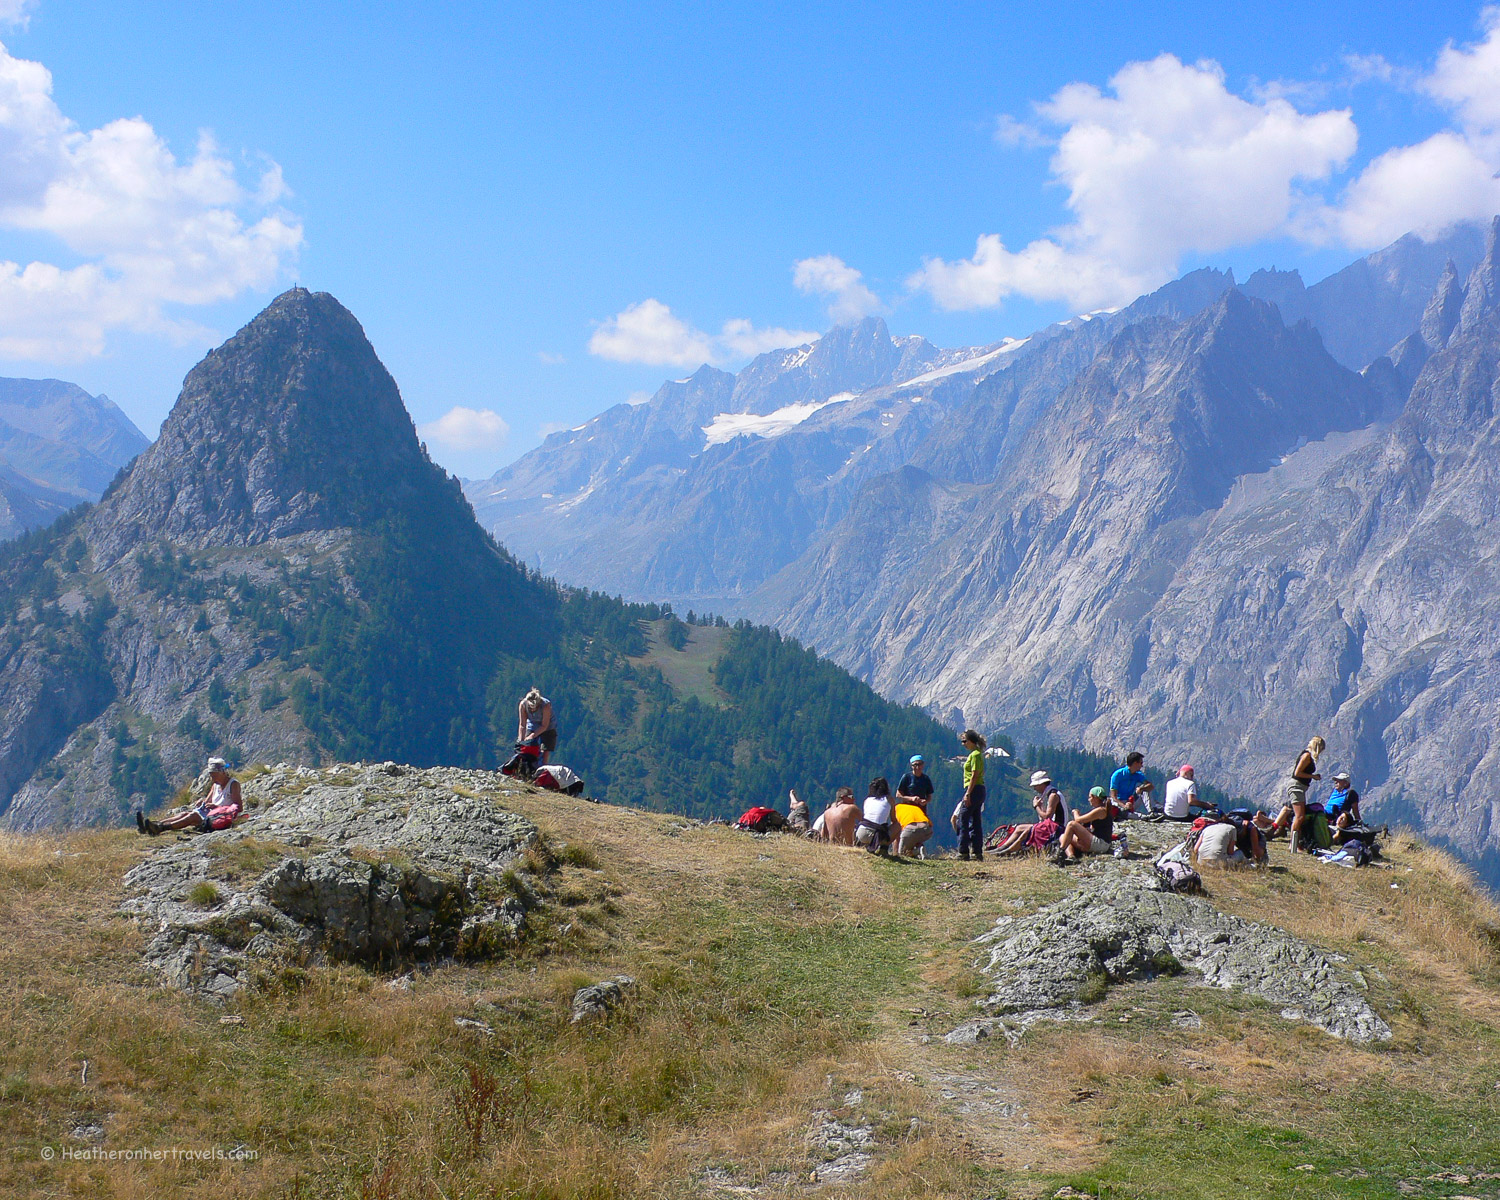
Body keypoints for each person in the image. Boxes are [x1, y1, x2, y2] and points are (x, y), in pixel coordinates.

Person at [137, 757, 242, 836]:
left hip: (220, 818)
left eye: (214, 775)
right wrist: (202, 802)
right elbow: (207, 801)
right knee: (184, 814)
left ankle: (161, 828)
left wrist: (217, 808)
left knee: (193, 816)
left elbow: (238, 807)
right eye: (211, 775)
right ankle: (152, 826)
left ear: (223, 772)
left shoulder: (233, 784)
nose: (212, 778)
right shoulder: (215, 785)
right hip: (211, 815)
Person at [1269, 736, 1325, 851]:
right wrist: (1313, 776)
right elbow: (1297, 773)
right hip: (1297, 786)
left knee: (1295, 813)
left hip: (1301, 788)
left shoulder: (1308, 756)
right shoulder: (1307, 756)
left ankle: (1292, 840)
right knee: (1299, 816)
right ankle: (1293, 844)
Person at [1058, 785, 1114, 860]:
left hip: (1101, 844)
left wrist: (1075, 812)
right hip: (1098, 843)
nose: (1089, 800)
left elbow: (1078, 820)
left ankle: (1060, 852)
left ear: (1095, 798)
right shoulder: (1101, 810)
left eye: (1090, 797)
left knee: (1071, 824)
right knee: (1063, 836)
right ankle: (1071, 857)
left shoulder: (1101, 810)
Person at [893, 756, 935, 857]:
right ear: (911, 766)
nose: (917, 767)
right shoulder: (906, 777)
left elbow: (929, 796)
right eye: (915, 765)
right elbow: (898, 794)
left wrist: (926, 801)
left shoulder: (926, 779)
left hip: (920, 809)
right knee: (900, 830)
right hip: (906, 808)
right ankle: (897, 853)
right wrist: (911, 798)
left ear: (923, 765)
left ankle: (911, 852)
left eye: (919, 764)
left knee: (917, 830)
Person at [956, 730, 987, 861]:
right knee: (975, 820)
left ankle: (963, 851)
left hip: (973, 789)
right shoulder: (978, 754)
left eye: (964, 741)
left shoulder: (974, 755)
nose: (963, 744)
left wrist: (968, 793)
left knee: (962, 818)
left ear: (971, 741)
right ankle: (977, 851)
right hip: (980, 789)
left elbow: (974, 774)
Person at [517, 687, 556, 765]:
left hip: (548, 726)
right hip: (532, 724)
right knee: (527, 746)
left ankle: (542, 767)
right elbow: (522, 725)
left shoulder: (546, 705)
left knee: (545, 749)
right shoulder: (523, 705)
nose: (532, 710)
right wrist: (521, 741)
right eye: (531, 708)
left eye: (535, 708)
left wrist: (532, 736)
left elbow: (544, 725)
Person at [855, 777, 893, 855]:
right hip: (877, 835)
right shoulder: (889, 799)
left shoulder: (867, 800)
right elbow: (894, 819)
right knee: (898, 826)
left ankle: (865, 845)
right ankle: (883, 848)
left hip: (861, 833)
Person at [1109, 751, 1154, 818]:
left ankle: (1151, 812)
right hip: (1119, 802)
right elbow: (1113, 796)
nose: (1142, 765)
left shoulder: (1138, 774)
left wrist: (1141, 789)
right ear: (1135, 763)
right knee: (1116, 806)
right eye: (1141, 763)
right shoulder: (1118, 774)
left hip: (1130, 802)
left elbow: (1151, 786)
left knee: (1144, 790)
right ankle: (1142, 817)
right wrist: (1124, 806)